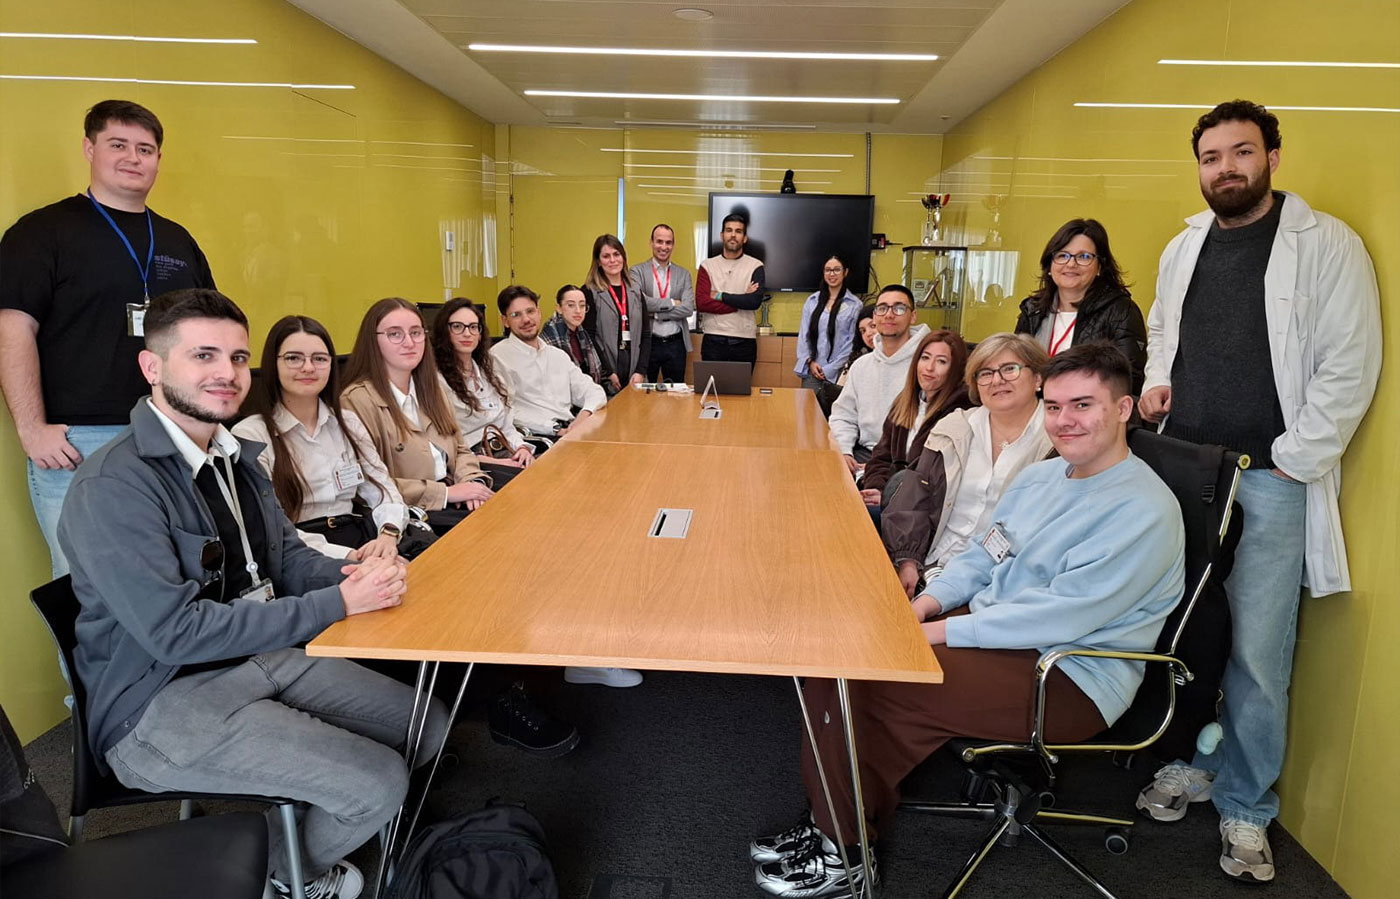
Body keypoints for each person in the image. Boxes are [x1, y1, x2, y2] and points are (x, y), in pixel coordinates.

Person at [751, 344, 1185, 898]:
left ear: (1123, 409)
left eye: (1083, 405)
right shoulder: (1042, 479)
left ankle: (844, 852)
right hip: (998, 633)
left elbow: (1057, 617)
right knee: (842, 659)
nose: (1064, 421)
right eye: (1054, 407)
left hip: (1068, 675)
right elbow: (984, 555)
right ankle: (834, 820)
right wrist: (925, 605)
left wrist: (931, 633)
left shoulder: (1143, 510)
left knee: (862, 680)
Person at [56, 289, 448, 899]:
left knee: (428, 727)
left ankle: (280, 821)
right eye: (203, 356)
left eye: (238, 358)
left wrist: (356, 577)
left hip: (255, 658)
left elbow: (286, 558)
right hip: (159, 703)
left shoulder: (236, 456)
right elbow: (175, 634)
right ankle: (278, 873)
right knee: (379, 782)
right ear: (151, 367)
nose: (227, 373)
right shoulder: (113, 485)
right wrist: (339, 604)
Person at [1134, 100, 1380, 884]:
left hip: (1268, 478)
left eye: (1241, 152)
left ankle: (1246, 802)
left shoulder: (1326, 244)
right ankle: (1195, 762)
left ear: (1273, 156)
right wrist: (1158, 381)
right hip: (1186, 469)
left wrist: (1288, 457)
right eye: (1211, 157)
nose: (1225, 169)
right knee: (1188, 633)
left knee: (1258, 653)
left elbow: (1350, 363)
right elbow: (1161, 330)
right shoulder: (1185, 245)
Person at [0, 100, 216, 576]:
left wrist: (209, 421)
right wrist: (31, 428)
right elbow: (13, 329)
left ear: (158, 159)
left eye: (145, 149)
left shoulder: (178, 241)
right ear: (89, 148)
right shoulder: (42, 233)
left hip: (173, 433)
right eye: (118, 145)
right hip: (79, 442)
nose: (133, 158)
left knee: (180, 577)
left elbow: (209, 336)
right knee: (87, 585)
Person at [882, 332, 1053, 598]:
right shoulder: (954, 427)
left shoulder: (1059, 441)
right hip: (930, 564)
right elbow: (913, 498)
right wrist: (908, 561)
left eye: (1010, 369)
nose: (997, 380)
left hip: (1000, 584)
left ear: (1038, 378)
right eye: (985, 373)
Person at [232, 315, 409, 561]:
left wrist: (388, 535)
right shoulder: (251, 435)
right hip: (301, 552)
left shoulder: (347, 422)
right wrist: (352, 557)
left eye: (319, 359)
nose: (308, 367)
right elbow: (270, 526)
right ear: (273, 364)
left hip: (360, 535)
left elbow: (383, 489)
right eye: (293, 358)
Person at [340, 298, 493, 533]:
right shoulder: (356, 400)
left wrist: (471, 481)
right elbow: (370, 484)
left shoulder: (432, 388)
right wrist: (446, 493)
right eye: (395, 334)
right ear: (373, 340)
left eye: (416, 332)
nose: (409, 342)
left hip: (456, 493)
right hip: (413, 512)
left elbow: (460, 448)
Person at [1014, 218, 1147, 394]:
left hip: (1089, 407)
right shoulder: (1033, 310)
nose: (1071, 264)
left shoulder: (1121, 311)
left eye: (1084, 257)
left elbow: (1129, 380)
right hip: (1035, 406)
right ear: (1049, 265)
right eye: (1062, 255)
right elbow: (1015, 368)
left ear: (1099, 267)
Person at [858, 329, 972, 513]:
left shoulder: (961, 412)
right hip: (891, 496)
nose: (929, 367)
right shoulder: (905, 402)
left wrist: (891, 497)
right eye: (925, 358)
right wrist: (877, 488)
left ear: (955, 369)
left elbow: (936, 480)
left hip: (921, 509)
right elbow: (881, 456)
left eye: (941, 361)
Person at [431, 297, 535, 489]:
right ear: (444, 331)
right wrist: (497, 462)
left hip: (503, 449)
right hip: (470, 464)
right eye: (457, 327)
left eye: (473, 327)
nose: (467, 333)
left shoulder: (490, 368)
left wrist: (521, 448)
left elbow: (506, 424)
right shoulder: (436, 380)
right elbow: (447, 447)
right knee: (530, 486)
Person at [828, 286, 929, 475]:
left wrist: (883, 466)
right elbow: (843, 415)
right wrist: (844, 451)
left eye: (899, 308)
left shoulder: (927, 366)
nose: (889, 314)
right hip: (863, 454)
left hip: (909, 462)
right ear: (875, 316)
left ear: (913, 316)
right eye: (882, 308)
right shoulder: (862, 366)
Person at [491, 285, 608, 439]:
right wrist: (555, 429)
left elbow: (594, 391)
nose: (526, 319)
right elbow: (505, 411)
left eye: (530, 311)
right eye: (516, 315)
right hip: (539, 437)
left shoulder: (557, 355)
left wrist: (583, 417)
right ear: (505, 321)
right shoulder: (497, 357)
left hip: (573, 428)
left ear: (539, 312)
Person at [695, 213, 766, 367]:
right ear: (722, 235)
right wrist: (740, 301)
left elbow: (753, 302)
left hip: (744, 341)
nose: (733, 235)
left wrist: (720, 295)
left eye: (738, 231)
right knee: (712, 383)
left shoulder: (756, 266)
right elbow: (702, 303)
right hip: (713, 339)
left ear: (744, 238)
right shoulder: (707, 266)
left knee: (740, 384)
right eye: (729, 230)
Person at [583, 234, 650, 388]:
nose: (612, 260)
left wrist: (640, 371)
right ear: (598, 262)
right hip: (606, 374)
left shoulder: (635, 290)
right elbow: (589, 338)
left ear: (623, 257)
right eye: (606, 256)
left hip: (635, 372)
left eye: (616, 254)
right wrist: (608, 372)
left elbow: (646, 334)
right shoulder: (590, 292)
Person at [633, 224, 696, 384]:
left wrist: (655, 314)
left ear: (673, 245)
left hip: (676, 343)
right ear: (651, 243)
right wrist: (672, 302)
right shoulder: (637, 272)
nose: (664, 247)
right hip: (648, 343)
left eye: (668, 242)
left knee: (676, 393)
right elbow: (640, 303)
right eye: (659, 241)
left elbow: (688, 308)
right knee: (645, 391)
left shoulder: (683, 274)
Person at [794, 255, 862, 392]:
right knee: (807, 405)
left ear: (845, 272)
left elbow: (852, 341)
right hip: (812, 370)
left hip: (840, 372)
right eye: (828, 270)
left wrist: (830, 368)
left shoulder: (855, 305)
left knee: (835, 406)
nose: (832, 274)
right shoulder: (812, 301)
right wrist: (810, 362)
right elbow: (803, 335)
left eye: (836, 270)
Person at [541, 283, 615, 395]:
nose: (578, 311)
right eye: (571, 305)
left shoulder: (581, 332)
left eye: (582, 305)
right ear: (559, 308)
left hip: (588, 394)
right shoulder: (550, 337)